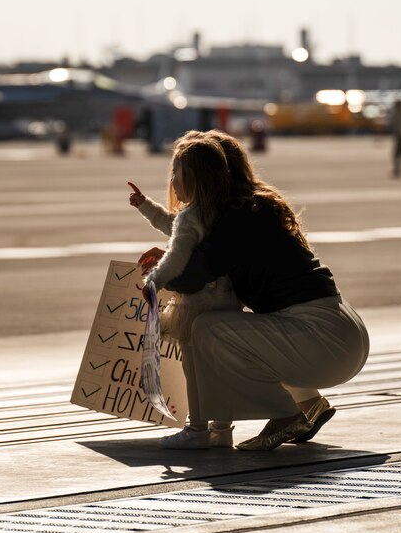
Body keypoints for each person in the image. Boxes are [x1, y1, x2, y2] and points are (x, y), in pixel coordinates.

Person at [138, 130, 370, 451]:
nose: (173, 180)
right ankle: (308, 405)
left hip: (320, 338)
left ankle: (283, 414)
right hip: (339, 331)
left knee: (207, 329)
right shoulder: (255, 206)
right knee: (245, 332)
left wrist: (158, 271)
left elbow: (192, 278)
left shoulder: (235, 217)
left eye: (178, 172)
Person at [127, 137, 242, 448]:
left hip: (198, 308)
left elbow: (177, 254)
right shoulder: (218, 212)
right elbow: (173, 225)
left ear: (193, 177)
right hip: (228, 303)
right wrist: (146, 206)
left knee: (195, 371)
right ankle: (223, 428)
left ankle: (198, 430)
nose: (172, 180)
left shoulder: (192, 215)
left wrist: (154, 280)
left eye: (175, 172)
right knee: (219, 370)